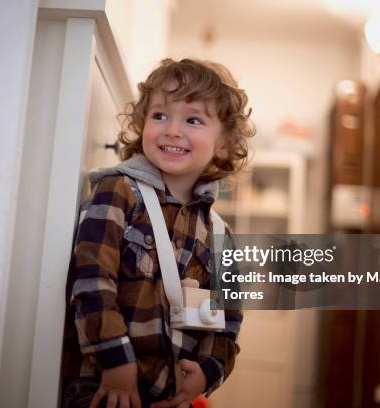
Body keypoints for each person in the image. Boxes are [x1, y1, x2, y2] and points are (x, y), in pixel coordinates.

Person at [62, 58, 255, 408]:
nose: (172, 130)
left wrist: (207, 372)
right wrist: (115, 361)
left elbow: (228, 321)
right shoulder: (117, 190)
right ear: (142, 124)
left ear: (224, 144)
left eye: (193, 120)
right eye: (160, 116)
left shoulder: (221, 234)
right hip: (105, 388)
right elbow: (91, 281)